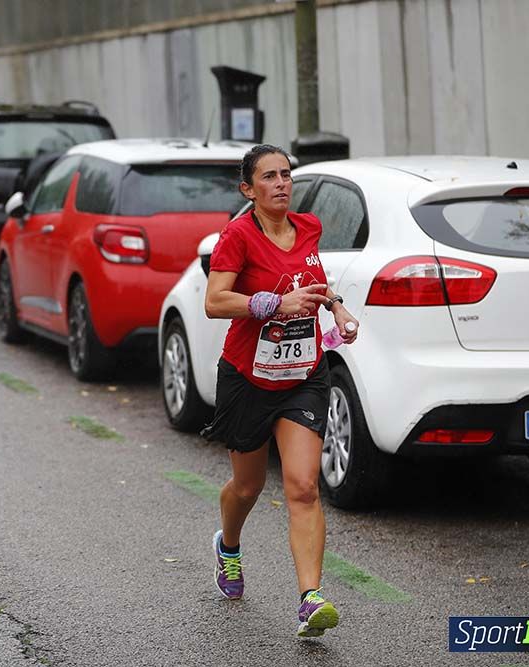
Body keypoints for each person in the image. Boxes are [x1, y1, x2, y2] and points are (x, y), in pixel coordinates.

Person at [201, 144, 359, 638]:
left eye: (286, 174)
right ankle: (228, 547)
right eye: (269, 177)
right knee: (247, 486)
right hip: (248, 377)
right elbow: (214, 302)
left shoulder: (308, 227)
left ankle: (310, 599)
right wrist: (271, 302)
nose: (282, 183)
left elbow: (312, 278)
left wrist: (337, 306)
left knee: (304, 486)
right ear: (248, 189)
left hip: (303, 376)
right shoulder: (238, 236)